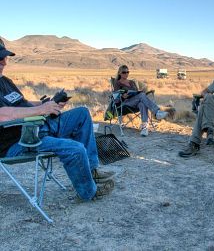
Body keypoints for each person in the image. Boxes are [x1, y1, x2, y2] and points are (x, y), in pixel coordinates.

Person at [0, 38, 115, 200]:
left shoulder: (5, 81)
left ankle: (91, 171)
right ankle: (89, 192)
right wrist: (40, 110)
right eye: (0, 58)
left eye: (5, 58)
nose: (4, 62)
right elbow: (3, 114)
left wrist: (48, 104)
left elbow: (22, 103)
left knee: (82, 113)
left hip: (37, 126)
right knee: (75, 149)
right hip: (19, 142)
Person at [113, 65, 168, 136]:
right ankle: (156, 112)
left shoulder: (131, 82)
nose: (126, 74)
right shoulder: (117, 83)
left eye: (127, 72)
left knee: (142, 103)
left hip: (136, 101)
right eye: (124, 72)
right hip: (126, 103)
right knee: (142, 95)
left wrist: (136, 93)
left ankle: (144, 127)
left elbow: (136, 92)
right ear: (120, 73)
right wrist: (122, 96)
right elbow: (116, 98)